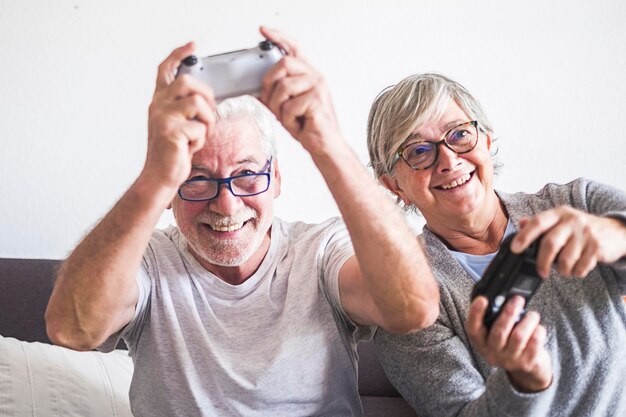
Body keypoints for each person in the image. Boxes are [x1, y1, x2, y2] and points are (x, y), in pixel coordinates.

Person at [44, 28, 439, 417]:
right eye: (197, 180)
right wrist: (155, 176)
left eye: (247, 175)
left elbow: (413, 308)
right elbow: (71, 329)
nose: (227, 205)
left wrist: (326, 141)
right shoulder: (148, 262)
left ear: (277, 179)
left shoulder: (320, 251)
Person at [366, 73, 626, 417]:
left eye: (459, 134)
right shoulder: (408, 299)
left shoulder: (576, 202)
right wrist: (523, 382)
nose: (448, 160)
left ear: (486, 141)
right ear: (394, 185)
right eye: (418, 151)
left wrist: (617, 233)